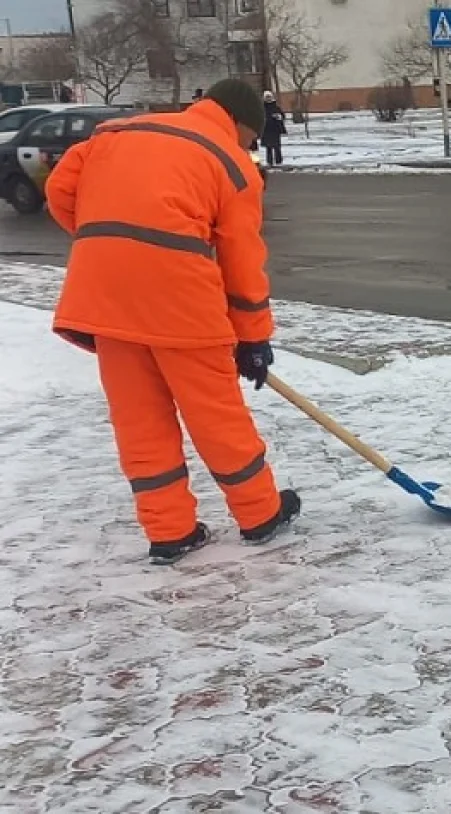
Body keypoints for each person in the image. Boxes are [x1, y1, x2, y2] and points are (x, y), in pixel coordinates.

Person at [45, 78, 301, 566]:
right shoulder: (232, 166)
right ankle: (259, 514)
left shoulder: (116, 133)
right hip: (181, 303)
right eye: (251, 139)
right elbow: (243, 262)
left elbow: (60, 190)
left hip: (103, 298)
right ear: (243, 126)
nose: (248, 148)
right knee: (215, 414)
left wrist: (110, 241)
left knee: (139, 420)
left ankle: (170, 532)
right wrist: (253, 339)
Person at [261, 90, 287, 167]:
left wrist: (279, 116)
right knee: (268, 147)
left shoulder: (276, 107)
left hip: (275, 130)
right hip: (266, 130)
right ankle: (269, 162)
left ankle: (279, 161)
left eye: (269, 97)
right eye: (267, 97)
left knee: (277, 146)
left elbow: (282, 116)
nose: (268, 99)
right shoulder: (262, 108)